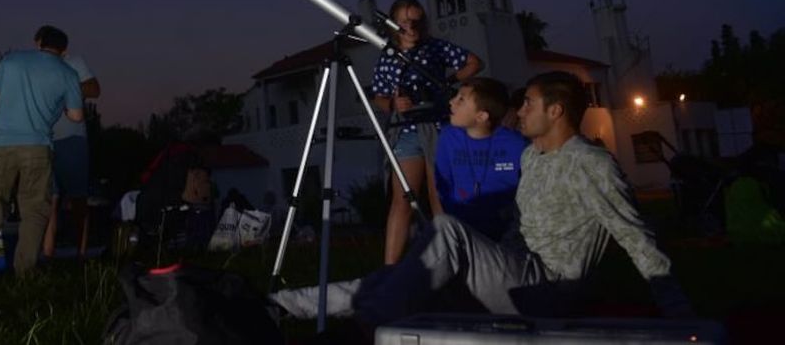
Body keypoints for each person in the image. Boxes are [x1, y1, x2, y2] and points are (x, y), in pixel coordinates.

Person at [272, 71, 692, 328]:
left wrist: (681, 317)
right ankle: (283, 307)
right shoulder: (534, 156)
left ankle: (376, 320)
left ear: (557, 111)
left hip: (551, 288)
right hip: (512, 273)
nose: (519, 111)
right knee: (399, 274)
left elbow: (636, 236)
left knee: (446, 232)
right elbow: (516, 223)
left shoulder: (591, 163)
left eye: (528, 103)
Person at [0, 25, 83, 284]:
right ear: (63, 51)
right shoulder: (68, 72)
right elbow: (76, 116)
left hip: (0, 145)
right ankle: (25, 272)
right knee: (34, 210)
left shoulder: (12, 60)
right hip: (37, 147)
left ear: (38, 42)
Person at [371, 0, 482, 264]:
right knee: (403, 201)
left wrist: (447, 81)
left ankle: (449, 262)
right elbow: (379, 97)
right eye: (405, 21)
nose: (411, 26)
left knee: (440, 198)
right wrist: (395, 104)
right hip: (406, 130)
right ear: (393, 24)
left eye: (416, 20)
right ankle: (390, 269)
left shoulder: (435, 47)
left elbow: (474, 62)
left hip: (437, 126)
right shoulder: (387, 56)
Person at [434, 77, 527, 239]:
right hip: (461, 227)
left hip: (504, 231)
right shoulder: (448, 137)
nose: (452, 102)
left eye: (461, 99)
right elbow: (443, 181)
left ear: (481, 116)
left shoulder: (516, 144)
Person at [41, 44, 100, 259]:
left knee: (77, 199)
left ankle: (81, 254)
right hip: (44, 141)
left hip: (71, 138)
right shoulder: (37, 70)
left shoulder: (73, 63)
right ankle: (47, 255)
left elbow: (94, 89)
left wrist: (67, 84)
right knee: (50, 200)